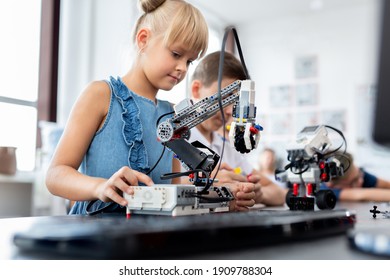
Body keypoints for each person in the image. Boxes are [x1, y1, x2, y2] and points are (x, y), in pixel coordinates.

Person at [45, 0, 257, 215]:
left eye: (190, 61)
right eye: (176, 54)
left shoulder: (172, 114)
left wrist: (223, 196)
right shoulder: (100, 95)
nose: (182, 68)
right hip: (96, 229)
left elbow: (172, 189)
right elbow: (55, 176)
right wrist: (99, 187)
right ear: (143, 40)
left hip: (149, 234)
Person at [185, 51, 286, 206]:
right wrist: (206, 184)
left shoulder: (227, 148)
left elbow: (279, 193)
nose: (229, 111)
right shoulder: (177, 141)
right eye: (225, 97)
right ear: (196, 89)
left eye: (235, 102)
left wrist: (259, 193)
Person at [321, 151, 390, 202]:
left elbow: (387, 184)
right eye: (353, 182)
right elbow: (362, 195)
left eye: (359, 174)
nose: (361, 180)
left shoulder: (358, 174)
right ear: (332, 186)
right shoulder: (325, 190)